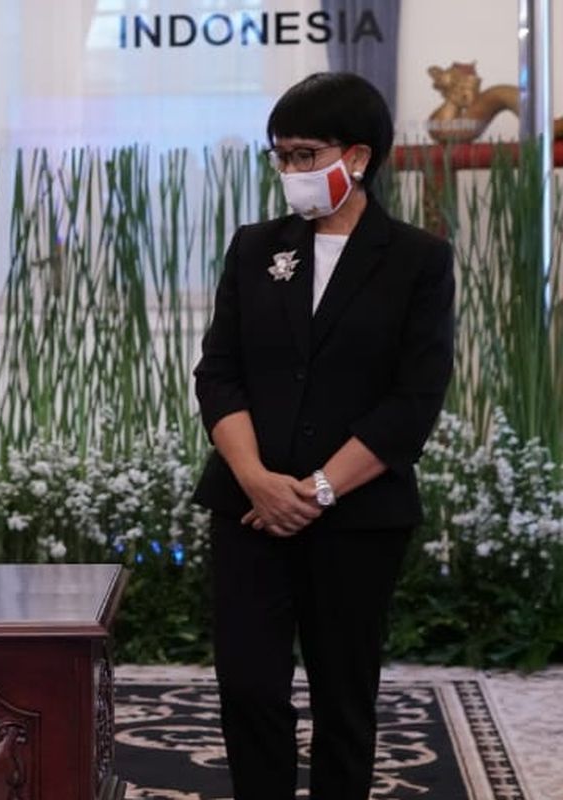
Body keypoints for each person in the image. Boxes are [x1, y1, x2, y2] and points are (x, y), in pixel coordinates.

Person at [192, 72, 454, 800]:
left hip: (359, 515)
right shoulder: (255, 248)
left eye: (306, 154)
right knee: (248, 687)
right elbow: (219, 375)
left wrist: (319, 489)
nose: (292, 172)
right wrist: (257, 480)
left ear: (359, 155)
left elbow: (414, 399)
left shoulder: (416, 260)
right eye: (280, 157)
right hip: (249, 508)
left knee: (345, 695)